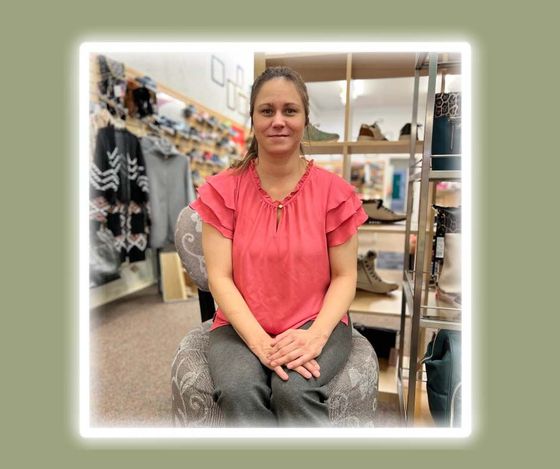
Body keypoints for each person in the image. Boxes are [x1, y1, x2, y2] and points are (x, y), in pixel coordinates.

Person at [190, 66, 367, 427]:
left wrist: (315, 337)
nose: (278, 121)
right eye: (267, 111)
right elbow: (219, 277)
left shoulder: (336, 193)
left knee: (295, 390)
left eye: (290, 111)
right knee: (239, 389)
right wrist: (261, 345)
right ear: (253, 119)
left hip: (317, 321)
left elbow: (346, 276)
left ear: (305, 119)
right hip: (240, 325)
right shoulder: (223, 191)